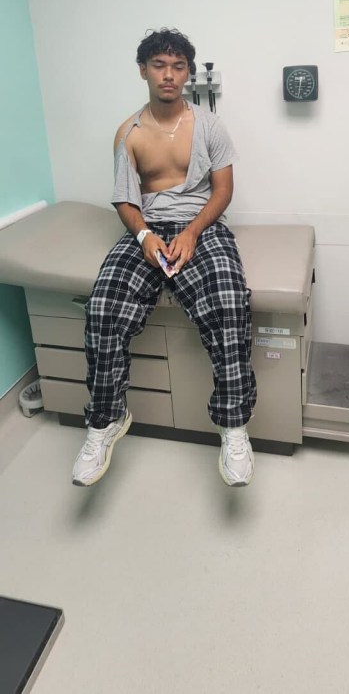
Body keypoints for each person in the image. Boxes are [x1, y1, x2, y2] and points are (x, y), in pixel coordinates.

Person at [72, 28, 257, 489]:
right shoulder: (129, 133)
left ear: (188, 73)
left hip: (203, 227)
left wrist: (195, 231)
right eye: (159, 66)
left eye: (177, 67)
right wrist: (145, 237)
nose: (169, 75)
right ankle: (105, 421)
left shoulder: (210, 127)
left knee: (230, 302)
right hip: (148, 229)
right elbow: (125, 201)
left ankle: (233, 425)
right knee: (103, 308)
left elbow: (224, 190)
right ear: (143, 71)